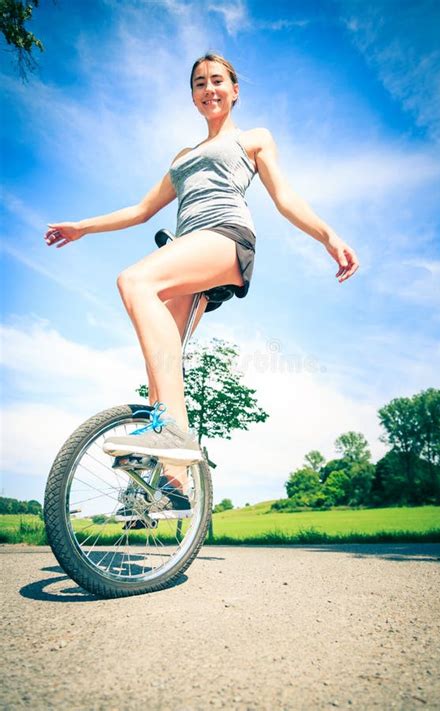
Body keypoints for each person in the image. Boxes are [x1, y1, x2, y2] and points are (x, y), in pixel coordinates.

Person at [45, 53, 359, 512]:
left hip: (226, 237)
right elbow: (139, 210)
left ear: (234, 90)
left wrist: (329, 235)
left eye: (217, 80)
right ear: (192, 97)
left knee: (134, 281)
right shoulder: (182, 156)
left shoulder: (253, 138)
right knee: (162, 363)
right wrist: (82, 226)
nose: (208, 88)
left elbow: (284, 197)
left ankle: (169, 428)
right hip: (187, 248)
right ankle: (175, 481)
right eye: (198, 83)